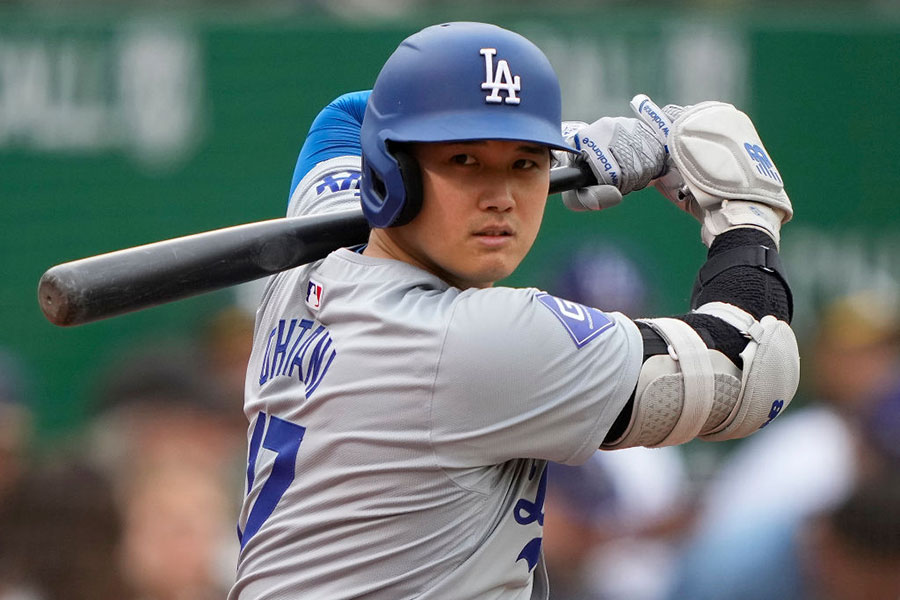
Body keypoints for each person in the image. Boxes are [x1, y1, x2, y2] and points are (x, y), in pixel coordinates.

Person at [232, 21, 799, 599]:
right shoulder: (471, 342)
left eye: (525, 163)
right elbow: (751, 369)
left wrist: (569, 142)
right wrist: (746, 216)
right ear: (391, 168)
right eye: (464, 160)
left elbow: (345, 117)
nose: (500, 196)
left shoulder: (311, 258)